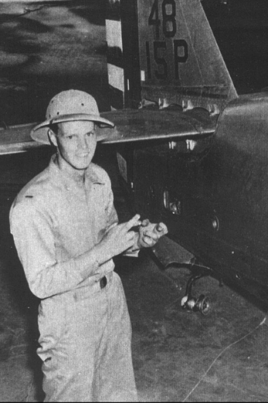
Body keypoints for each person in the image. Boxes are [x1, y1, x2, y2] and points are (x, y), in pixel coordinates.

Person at [9, 89, 168, 401]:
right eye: (72, 137)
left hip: (112, 304)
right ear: (53, 138)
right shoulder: (31, 204)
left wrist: (137, 239)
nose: (84, 147)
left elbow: (108, 233)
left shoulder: (99, 177)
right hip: (69, 319)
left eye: (90, 134)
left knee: (119, 395)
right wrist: (104, 251)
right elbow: (41, 282)